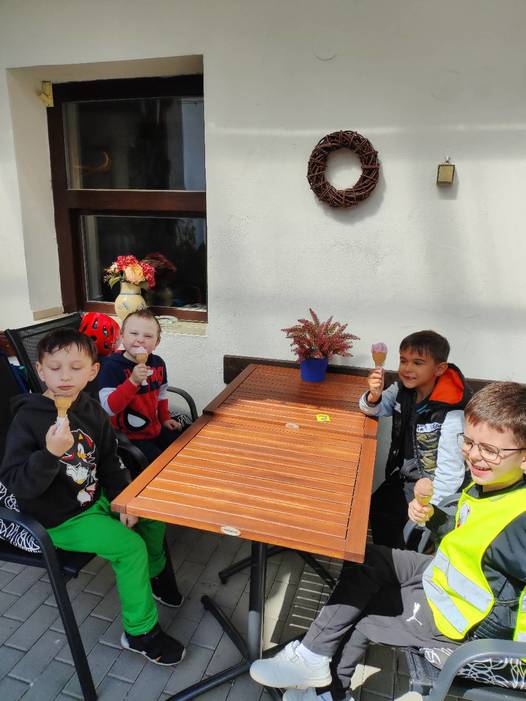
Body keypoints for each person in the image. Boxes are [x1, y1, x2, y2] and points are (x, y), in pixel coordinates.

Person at [250, 382, 526, 700]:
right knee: (365, 559)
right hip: (441, 575)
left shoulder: (518, 524)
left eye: (490, 450)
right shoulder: (490, 485)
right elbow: (468, 531)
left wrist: (512, 657)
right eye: (468, 442)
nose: (474, 455)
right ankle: (312, 659)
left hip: (455, 620)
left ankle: (328, 691)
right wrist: (434, 518)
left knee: (362, 610)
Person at [0, 329, 185, 665]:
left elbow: (110, 460)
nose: (65, 377)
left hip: (94, 498)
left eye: (75, 368)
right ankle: (140, 633)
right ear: (39, 371)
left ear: (92, 371)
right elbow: (18, 485)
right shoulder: (28, 419)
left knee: (151, 512)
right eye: (54, 368)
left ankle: (154, 573)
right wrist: (49, 455)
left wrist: (122, 499)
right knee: (130, 548)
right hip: (60, 518)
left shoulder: (90, 409)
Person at [362, 330, 471, 547]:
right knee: (377, 507)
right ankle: (387, 556)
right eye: (403, 361)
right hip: (402, 479)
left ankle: (404, 558)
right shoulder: (402, 389)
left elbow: (450, 475)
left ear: (439, 369)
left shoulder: (452, 413)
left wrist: (427, 507)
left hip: (430, 489)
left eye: (418, 363)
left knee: (409, 535)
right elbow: (375, 408)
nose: (407, 368)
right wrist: (374, 395)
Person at [98, 309, 181, 463]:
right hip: (128, 439)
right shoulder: (111, 366)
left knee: (182, 448)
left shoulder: (158, 363)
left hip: (155, 428)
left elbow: (162, 394)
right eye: (134, 333)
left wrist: (165, 418)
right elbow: (108, 408)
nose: (140, 340)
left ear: (157, 343)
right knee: (162, 463)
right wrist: (133, 382)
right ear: (122, 336)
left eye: (148, 336)